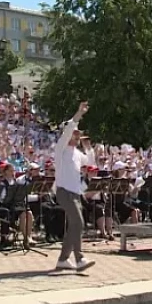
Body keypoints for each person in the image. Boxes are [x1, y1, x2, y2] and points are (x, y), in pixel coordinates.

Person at [53, 101, 96, 271]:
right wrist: (79, 114)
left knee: (74, 225)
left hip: (76, 193)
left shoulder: (77, 154)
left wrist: (89, 149)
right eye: (75, 135)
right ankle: (79, 259)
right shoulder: (60, 149)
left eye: (79, 135)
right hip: (64, 192)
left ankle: (63, 259)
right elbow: (70, 128)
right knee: (79, 223)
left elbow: (90, 162)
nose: (77, 137)